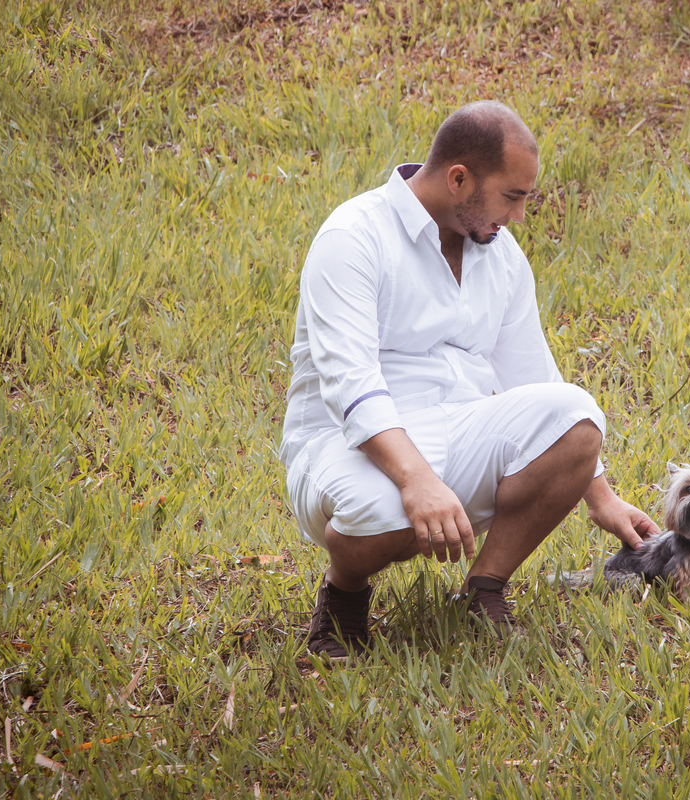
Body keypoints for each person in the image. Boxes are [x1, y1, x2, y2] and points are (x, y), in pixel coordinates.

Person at [279, 101, 659, 657]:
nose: (519, 217)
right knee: (381, 512)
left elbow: (532, 375)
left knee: (576, 415)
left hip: (459, 429)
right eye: (513, 197)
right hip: (347, 444)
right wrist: (417, 481)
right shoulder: (354, 236)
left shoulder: (500, 256)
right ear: (459, 179)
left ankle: (485, 587)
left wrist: (599, 495)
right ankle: (344, 595)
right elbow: (350, 384)